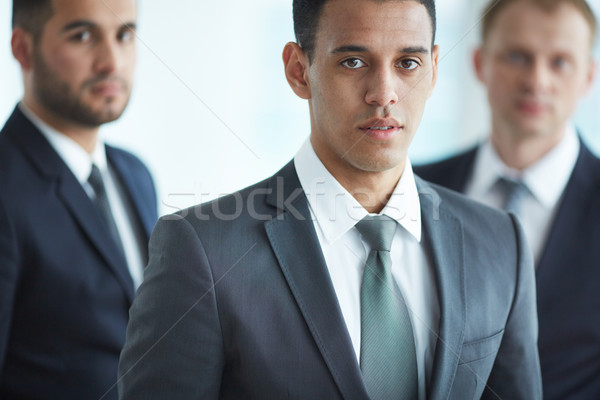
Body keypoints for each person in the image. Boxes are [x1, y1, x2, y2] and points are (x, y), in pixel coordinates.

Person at [118, 0, 541, 398]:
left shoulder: (500, 243)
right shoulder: (202, 250)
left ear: (432, 71)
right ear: (299, 71)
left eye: (408, 63)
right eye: (353, 62)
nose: (384, 93)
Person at [415, 0, 600, 398]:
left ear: (589, 76)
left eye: (560, 62)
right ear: (480, 63)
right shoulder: (414, 188)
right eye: (518, 56)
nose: (537, 80)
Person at [0, 0, 158, 398]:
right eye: (83, 36)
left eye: (124, 35)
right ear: (22, 48)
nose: (111, 62)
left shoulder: (135, 174)